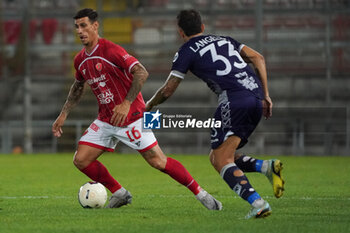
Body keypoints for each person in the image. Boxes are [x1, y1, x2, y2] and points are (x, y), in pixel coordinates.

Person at [52, 8, 222, 210]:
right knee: (81, 160)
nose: (80, 31)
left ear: (95, 26)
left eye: (84, 25)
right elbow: (78, 86)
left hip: (133, 116)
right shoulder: (80, 59)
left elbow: (141, 73)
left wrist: (125, 103)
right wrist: (63, 115)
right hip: (106, 119)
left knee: (158, 161)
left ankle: (203, 195)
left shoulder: (111, 50)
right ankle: (120, 193)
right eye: (77, 27)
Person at [146, 9, 285, 219]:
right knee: (217, 156)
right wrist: (266, 95)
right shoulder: (225, 40)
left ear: (180, 32)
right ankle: (266, 167)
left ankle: (258, 203)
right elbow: (259, 58)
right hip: (255, 97)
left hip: (233, 100)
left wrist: (149, 105)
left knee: (221, 159)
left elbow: (167, 90)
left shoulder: (186, 50)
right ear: (202, 27)